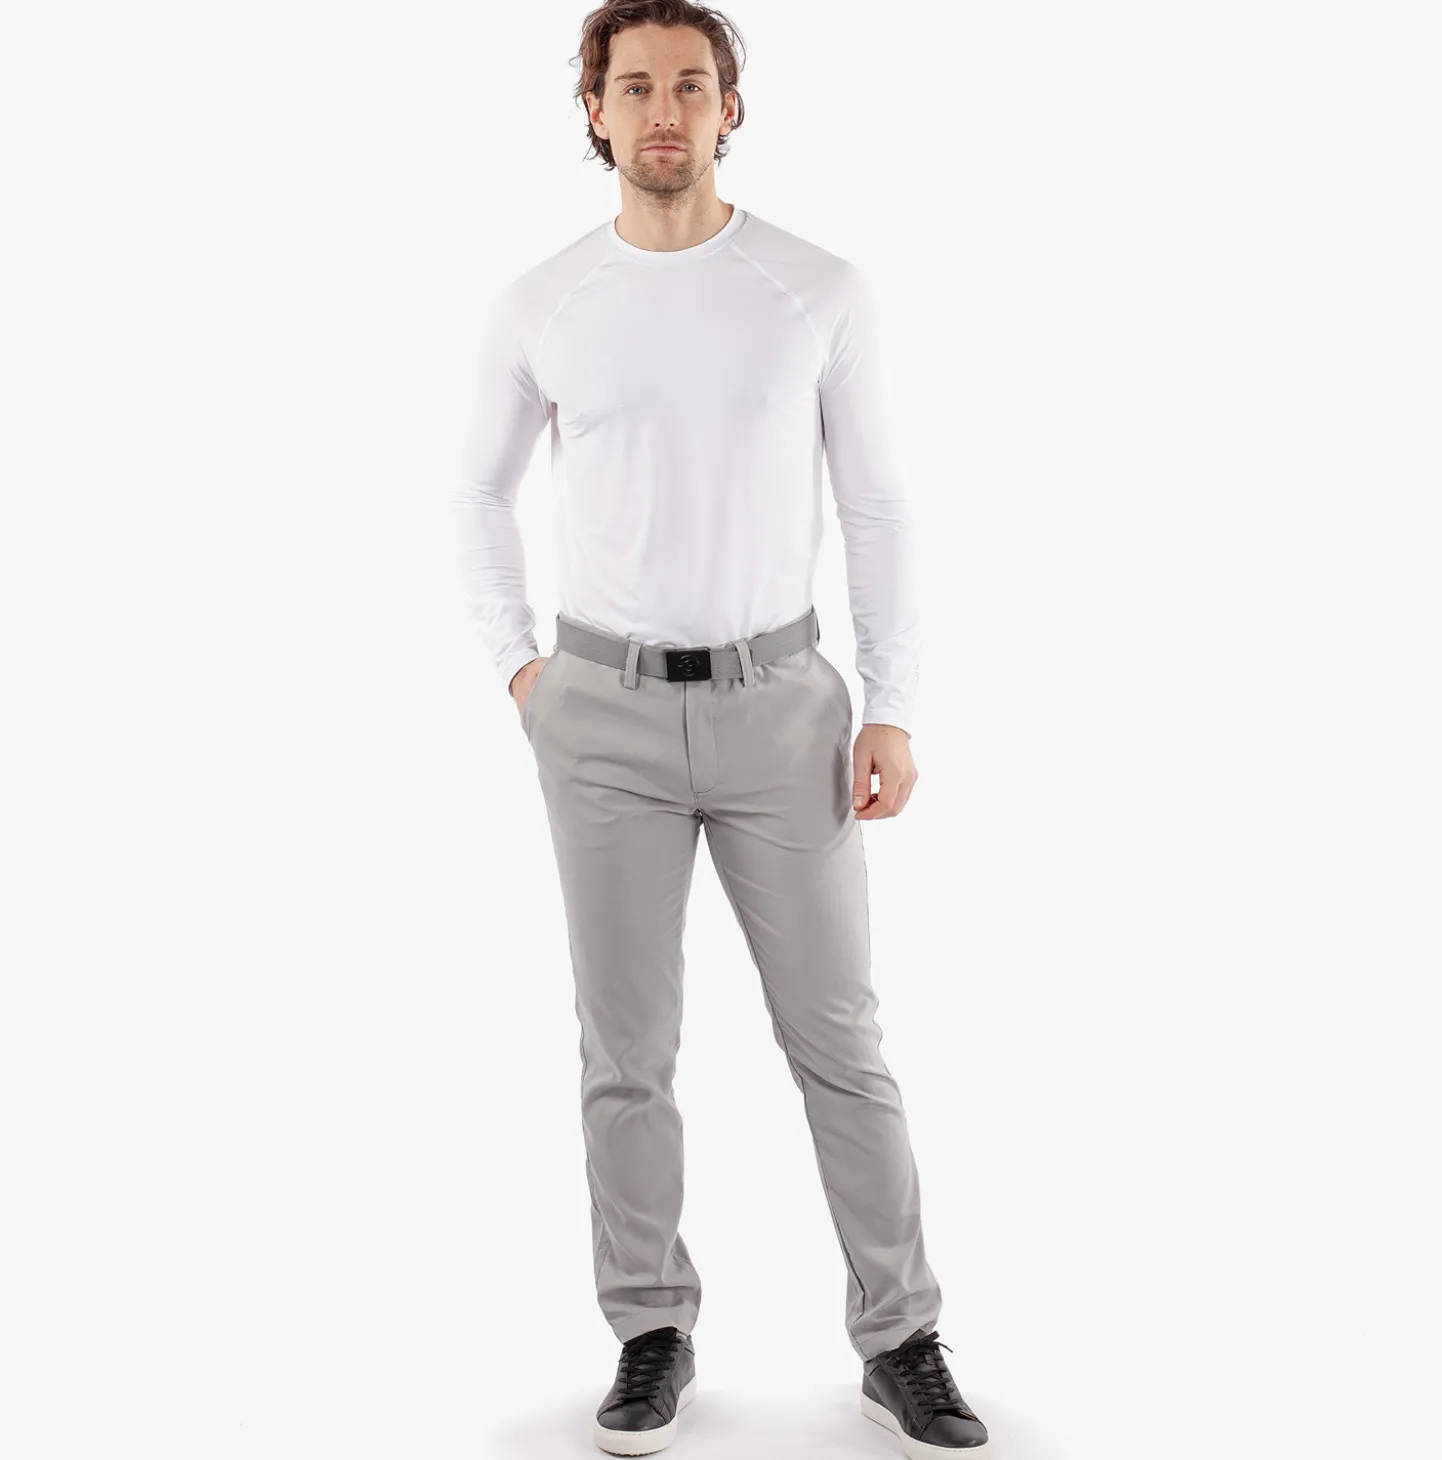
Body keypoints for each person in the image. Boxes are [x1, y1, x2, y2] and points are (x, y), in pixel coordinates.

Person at [455, 3, 988, 1454]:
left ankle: (902, 1336)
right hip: (599, 713)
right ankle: (650, 1328)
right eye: (635, 86)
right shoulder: (544, 302)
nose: (665, 110)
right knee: (624, 1048)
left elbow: (878, 505)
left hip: (782, 710)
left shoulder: (815, 289)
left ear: (730, 107)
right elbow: (474, 493)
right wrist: (522, 673)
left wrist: (894, 707)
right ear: (595, 110)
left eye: (692, 84)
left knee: (840, 1039)